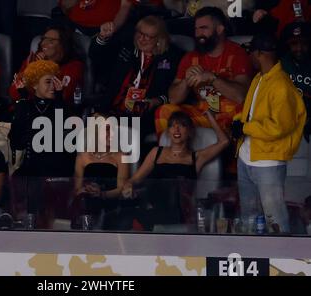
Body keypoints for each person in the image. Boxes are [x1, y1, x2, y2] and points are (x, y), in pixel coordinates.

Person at [233, 34, 306, 234]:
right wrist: (238, 122)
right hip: (248, 155)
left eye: (250, 52)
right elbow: (251, 111)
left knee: (274, 216)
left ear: (259, 53)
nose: (249, 56)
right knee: (249, 214)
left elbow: (279, 127)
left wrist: (245, 128)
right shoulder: (260, 77)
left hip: (269, 161)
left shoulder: (281, 85)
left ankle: (281, 257)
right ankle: (249, 253)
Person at [155, 7, 252, 137]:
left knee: (242, 115)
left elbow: (241, 97)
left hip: (232, 115)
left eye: (204, 28)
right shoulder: (190, 57)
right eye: (196, 29)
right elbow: (173, 99)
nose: (198, 33)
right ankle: (174, 155)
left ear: (220, 29)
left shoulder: (237, 53)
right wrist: (186, 82)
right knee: (165, 111)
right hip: (203, 114)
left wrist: (213, 78)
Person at [123, 110, 229, 230]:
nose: (176, 129)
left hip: (180, 213)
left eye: (182, 125)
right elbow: (135, 179)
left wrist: (210, 118)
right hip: (154, 208)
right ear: (168, 132)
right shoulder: (156, 152)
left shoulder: (197, 157)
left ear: (189, 132)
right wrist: (129, 186)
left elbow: (224, 141)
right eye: (172, 126)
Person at [89, 15, 183, 137]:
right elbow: (96, 56)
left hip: (142, 117)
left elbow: (172, 92)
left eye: (148, 36)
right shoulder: (126, 47)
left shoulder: (171, 58)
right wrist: (102, 37)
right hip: (111, 109)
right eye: (140, 33)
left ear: (159, 39)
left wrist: (157, 101)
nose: (142, 39)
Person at [9, 60, 76, 227]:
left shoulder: (61, 105)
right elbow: (16, 141)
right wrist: (23, 100)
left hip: (58, 166)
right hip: (33, 167)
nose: (53, 86)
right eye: (48, 82)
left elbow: (65, 137)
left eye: (55, 81)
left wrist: (60, 98)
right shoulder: (25, 106)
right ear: (34, 85)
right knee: (22, 180)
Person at [73, 113, 131, 230]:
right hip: (87, 206)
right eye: (108, 130)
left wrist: (102, 194)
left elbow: (122, 190)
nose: (113, 134)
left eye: (114, 130)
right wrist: (86, 190)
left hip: (111, 207)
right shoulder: (82, 157)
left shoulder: (121, 156)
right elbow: (76, 189)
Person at [9, 25, 84, 107]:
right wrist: (33, 69)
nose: (44, 43)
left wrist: (43, 71)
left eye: (51, 41)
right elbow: (14, 93)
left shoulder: (74, 66)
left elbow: (63, 97)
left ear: (63, 44)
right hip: (26, 111)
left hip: (54, 115)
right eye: (43, 39)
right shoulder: (32, 62)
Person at [280, 22, 311, 141]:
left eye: (304, 43)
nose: (299, 48)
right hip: (286, 127)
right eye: (294, 43)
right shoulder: (281, 64)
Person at [56, 0, 135, 36]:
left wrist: (112, 28)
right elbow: (65, 6)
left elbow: (125, 7)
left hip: (106, 29)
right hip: (73, 25)